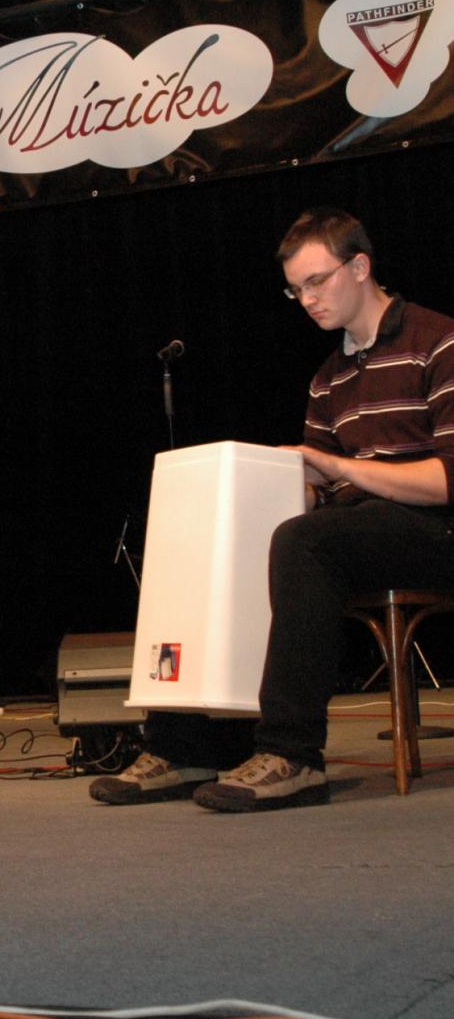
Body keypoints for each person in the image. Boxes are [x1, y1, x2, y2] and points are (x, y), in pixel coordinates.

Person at [93, 206, 454, 811]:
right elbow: (319, 488)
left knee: (303, 541)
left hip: (436, 527)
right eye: (296, 289)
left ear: (360, 267)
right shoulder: (328, 378)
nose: (307, 300)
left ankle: (294, 753)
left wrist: (338, 469)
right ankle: (187, 746)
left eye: (317, 281)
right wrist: (263, 495)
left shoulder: (438, 341)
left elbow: (446, 480)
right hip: (360, 528)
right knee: (225, 537)